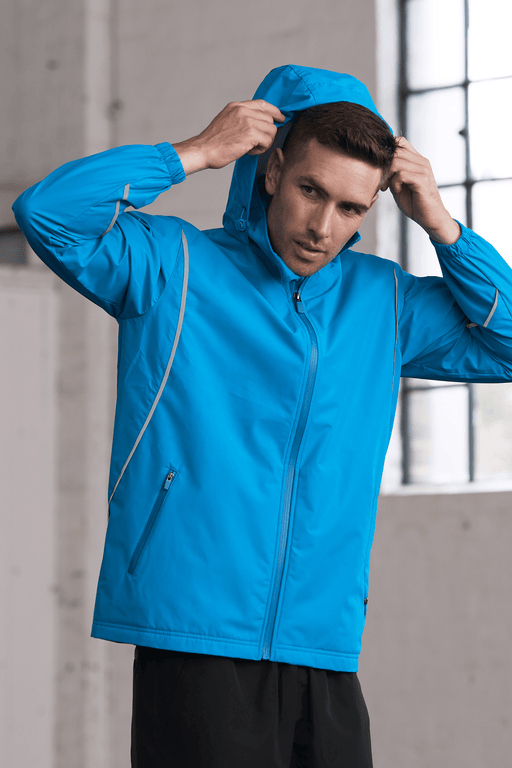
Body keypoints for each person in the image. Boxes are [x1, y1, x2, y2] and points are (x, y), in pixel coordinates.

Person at [12, 64, 512, 767]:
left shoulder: (385, 303)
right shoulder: (172, 266)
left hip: (322, 641)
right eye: (311, 190)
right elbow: (48, 213)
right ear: (272, 170)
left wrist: (442, 224)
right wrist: (194, 152)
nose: (323, 227)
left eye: (350, 208)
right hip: (194, 635)